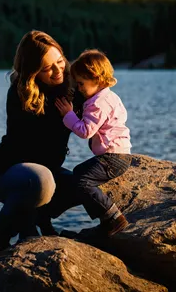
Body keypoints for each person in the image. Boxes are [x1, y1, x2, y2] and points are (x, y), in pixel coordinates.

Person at [0, 30, 84, 260]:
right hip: (13, 173)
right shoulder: (20, 93)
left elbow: (100, 103)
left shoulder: (72, 82)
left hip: (46, 170)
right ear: (33, 72)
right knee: (41, 180)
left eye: (59, 61)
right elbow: (25, 149)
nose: (58, 71)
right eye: (47, 68)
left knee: (84, 185)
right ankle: (1, 234)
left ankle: (39, 221)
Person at [55, 49, 133, 236]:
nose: (79, 88)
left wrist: (69, 115)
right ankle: (106, 219)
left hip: (112, 158)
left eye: (81, 84)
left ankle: (113, 217)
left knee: (82, 181)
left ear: (96, 79)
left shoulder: (99, 103)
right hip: (117, 155)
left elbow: (85, 131)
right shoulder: (109, 96)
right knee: (79, 173)